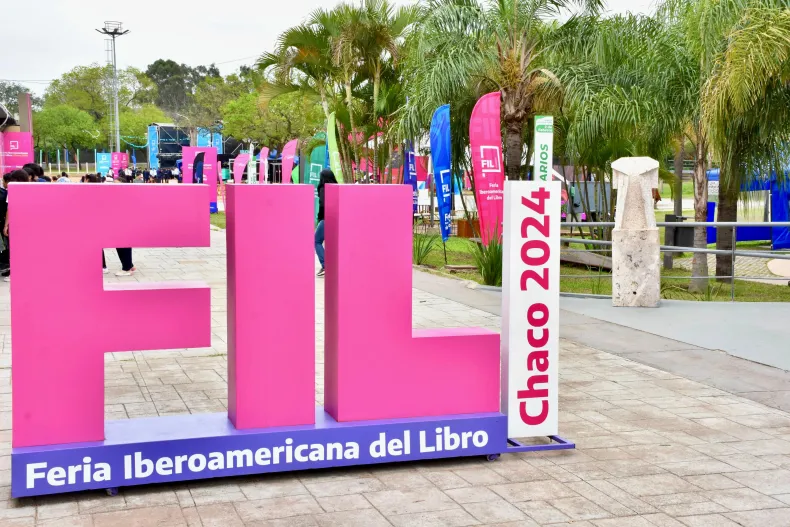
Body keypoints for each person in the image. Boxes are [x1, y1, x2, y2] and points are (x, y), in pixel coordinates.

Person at [2, 169, 35, 282]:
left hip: (17, 224)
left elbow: (9, 208)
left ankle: (15, 274)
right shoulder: (33, 188)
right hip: (29, 224)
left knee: (15, 250)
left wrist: (6, 225)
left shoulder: (13, 189)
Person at [314, 168, 337, 277]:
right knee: (331, 243)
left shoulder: (323, 188)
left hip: (326, 218)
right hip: (335, 218)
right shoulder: (335, 187)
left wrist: (320, 218)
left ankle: (325, 265)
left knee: (316, 240)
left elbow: (323, 205)